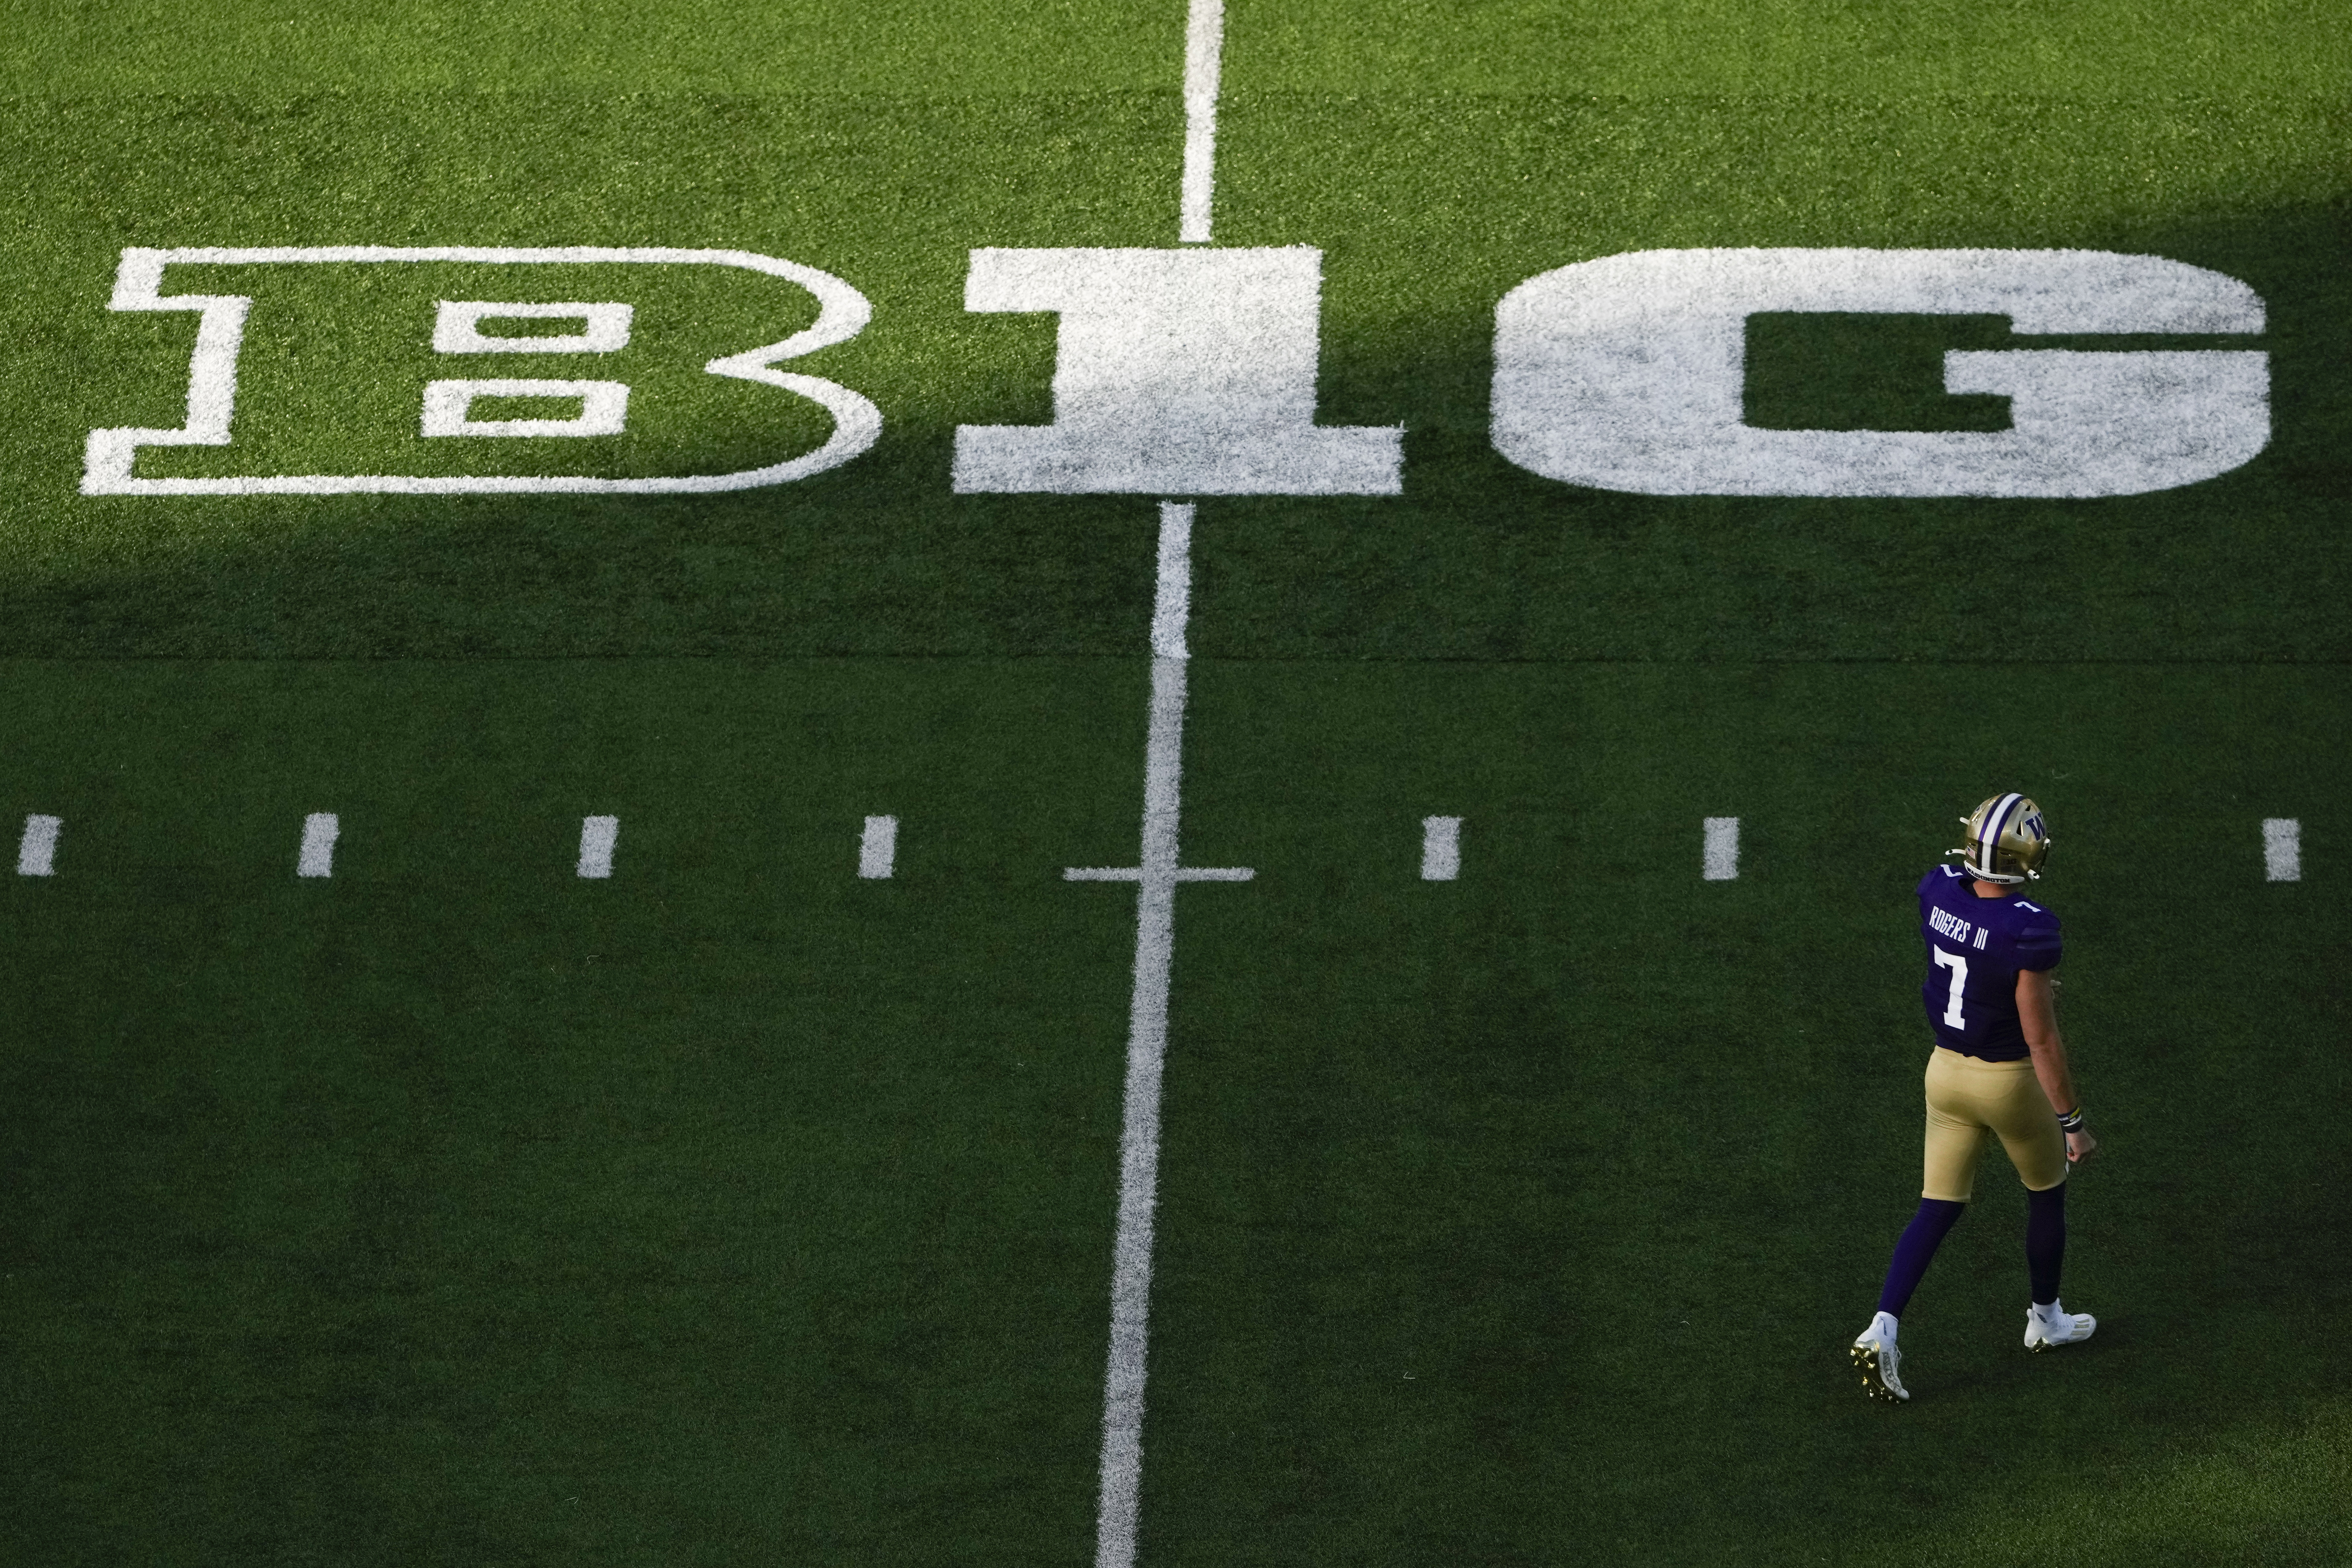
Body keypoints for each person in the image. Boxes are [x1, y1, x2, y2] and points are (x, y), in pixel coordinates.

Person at [1851, 793, 2100, 1403]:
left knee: (1936, 1206)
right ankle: (2045, 1320)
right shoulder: (2028, 927)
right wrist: (2071, 1122)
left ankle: (1881, 1325)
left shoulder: (1936, 889)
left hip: (1944, 1072)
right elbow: (2039, 1037)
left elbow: (1970, 950)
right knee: (2045, 1194)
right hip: (2007, 1081)